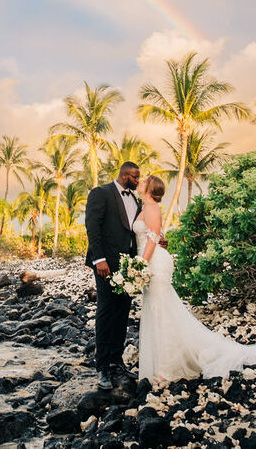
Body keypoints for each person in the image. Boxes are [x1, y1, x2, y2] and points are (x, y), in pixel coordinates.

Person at [134, 174, 256, 383]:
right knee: (158, 310)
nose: (140, 182)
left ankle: (166, 368)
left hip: (153, 262)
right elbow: (158, 236)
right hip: (150, 261)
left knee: (160, 312)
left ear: (149, 187)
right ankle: (163, 361)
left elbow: (152, 238)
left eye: (144, 180)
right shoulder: (145, 207)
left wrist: (141, 263)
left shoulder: (151, 208)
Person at [84, 161, 143, 390]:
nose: (138, 181)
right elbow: (92, 226)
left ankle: (117, 362)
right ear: (125, 175)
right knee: (106, 312)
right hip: (106, 264)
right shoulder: (101, 193)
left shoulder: (135, 199)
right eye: (136, 177)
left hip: (128, 265)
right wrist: (99, 259)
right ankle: (103, 368)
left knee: (122, 311)